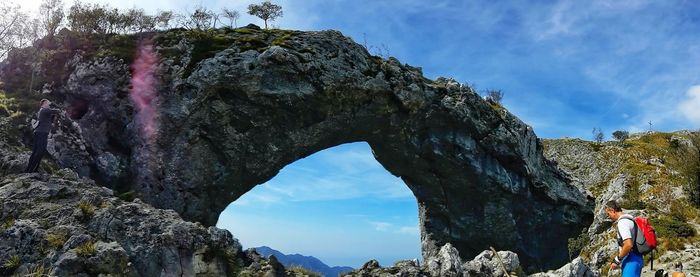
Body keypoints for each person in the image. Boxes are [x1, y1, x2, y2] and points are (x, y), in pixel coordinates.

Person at [605, 200, 643, 277]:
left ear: (613, 210)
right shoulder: (630, 220)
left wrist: (617, 260)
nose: (608, 216)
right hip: (638, 258)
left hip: (630, 260)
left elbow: (628, 244)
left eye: (608, 214)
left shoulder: (622, 223)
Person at [24, 99, 62, 173]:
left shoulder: (42, 112)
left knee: (35, 151)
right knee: (40, 151)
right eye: (48, 103)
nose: (49, 105)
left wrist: (54, 117)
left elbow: (51, 119)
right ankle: (32, 170)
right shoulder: (44, 110)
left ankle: (29, 169)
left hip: (39, 132)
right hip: (42, 133)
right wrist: (57, 107)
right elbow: (57, 110)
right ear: (44, 103)